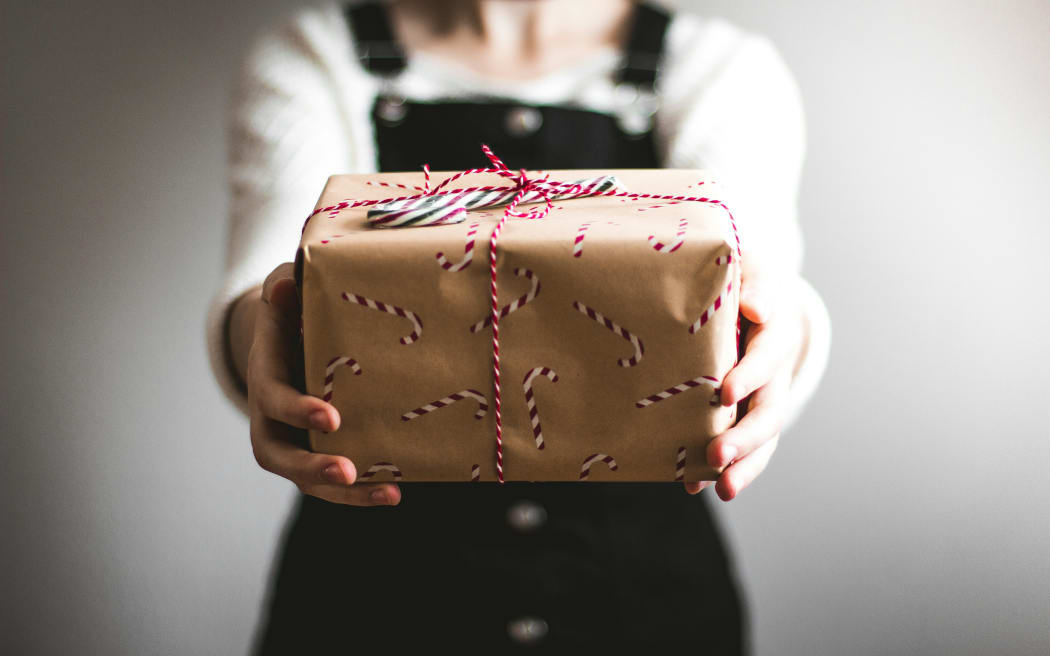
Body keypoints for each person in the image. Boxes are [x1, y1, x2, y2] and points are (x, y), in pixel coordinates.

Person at [206, 0, 831, 652]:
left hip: (642, 606)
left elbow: (760, 279)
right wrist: (265, 336)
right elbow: (270, 276)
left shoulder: (715, 68)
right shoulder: (316, 56)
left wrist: (782, 336)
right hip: (370, 608)